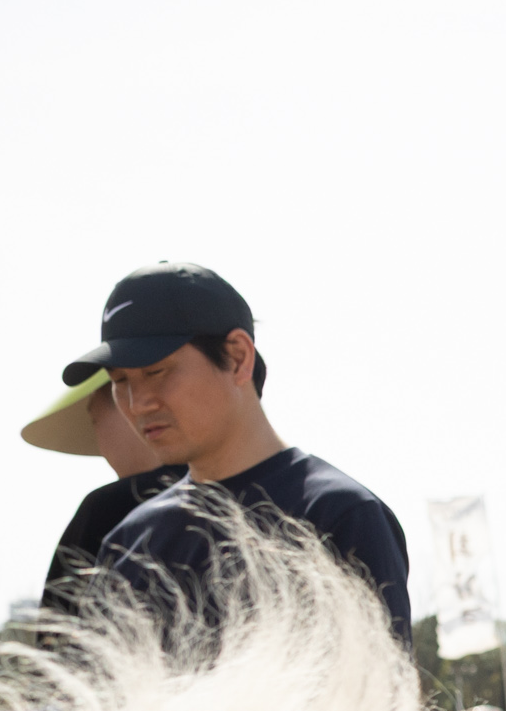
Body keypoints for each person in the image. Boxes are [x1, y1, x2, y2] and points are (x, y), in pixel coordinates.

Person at [69, 262, 413, 647]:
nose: (137, 403)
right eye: (119, 381)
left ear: (237, 358)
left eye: (155, 371)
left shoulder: (338, 515)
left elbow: (377, 683)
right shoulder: (129, 543)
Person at [24, 363, 184, 611]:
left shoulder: (109, 507)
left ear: (126, 407)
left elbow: (61, 627)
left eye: (94, 420)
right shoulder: (233, 485)